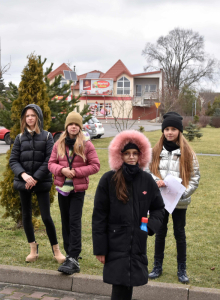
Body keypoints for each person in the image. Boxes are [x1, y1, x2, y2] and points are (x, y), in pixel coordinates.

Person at [92, 130, 165, 300]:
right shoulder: (108, 180)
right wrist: (100, 249)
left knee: (129, 284)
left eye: (135, 153)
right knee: (119, 286)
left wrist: (145, 227)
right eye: (127, 154)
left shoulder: (147, 180)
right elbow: (99, 217)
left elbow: (159, 208)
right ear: (120, 155)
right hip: (115, 242)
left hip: (137, 243)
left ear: (141, 155)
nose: (131, 157)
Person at [147, 112, 200, 283]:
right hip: (160, 201)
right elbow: (147, 172)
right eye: (167, 129)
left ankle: (181, 268)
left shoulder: (188, 153)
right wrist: (157, 182)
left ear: (179, 131)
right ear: (163, 131)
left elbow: (195, 178)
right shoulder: (155, 151)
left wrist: (182, 192)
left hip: (179, 202)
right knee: (160, 232)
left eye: (173, 129)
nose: (170, 132)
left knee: (179, 233)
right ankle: (157, 266)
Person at [9, 104, 65, 264]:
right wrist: (25, 176)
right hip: (24, 182)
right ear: (24, 119)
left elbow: (50, 159)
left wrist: (36, 178)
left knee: (46, 217)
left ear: (38, 117)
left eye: (33, 115)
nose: (30, 118)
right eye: (27, 116)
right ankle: (33, 249)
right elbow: (13, 160)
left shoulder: (47, 137)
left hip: (41, 182)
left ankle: (56, 250)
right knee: (26, 216)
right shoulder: (20, 138)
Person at [48, 111, 100, 275]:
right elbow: (51, 164)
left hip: (77, 190)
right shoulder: (59, 144)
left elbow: (95, 165)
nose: (73, 127)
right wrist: (62, 170)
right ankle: (70, 252)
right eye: (71, 124)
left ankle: (74, 256)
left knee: (74, 222)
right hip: (63, 189)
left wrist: (76, 172)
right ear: (66, 126)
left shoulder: (86, 144)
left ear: (80, 127)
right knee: (65, 221)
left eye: (76, 124)